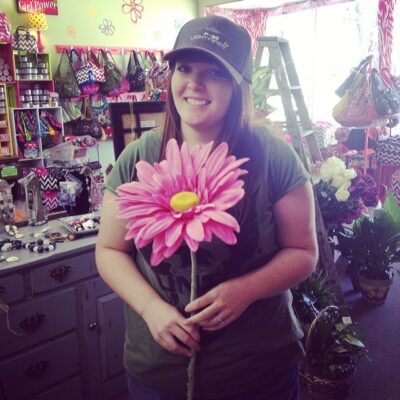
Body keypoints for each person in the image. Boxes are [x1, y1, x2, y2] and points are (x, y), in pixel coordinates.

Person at [96, 15, 318, 400]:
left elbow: (303, 252)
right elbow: (110, 250)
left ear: (238, 86)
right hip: (160, 375)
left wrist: (246, 290)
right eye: (184, 68)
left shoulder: (274, 157)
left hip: (258, 371)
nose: (194, 84)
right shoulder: (137, 159)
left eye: (214, 72)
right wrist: (150, 309)